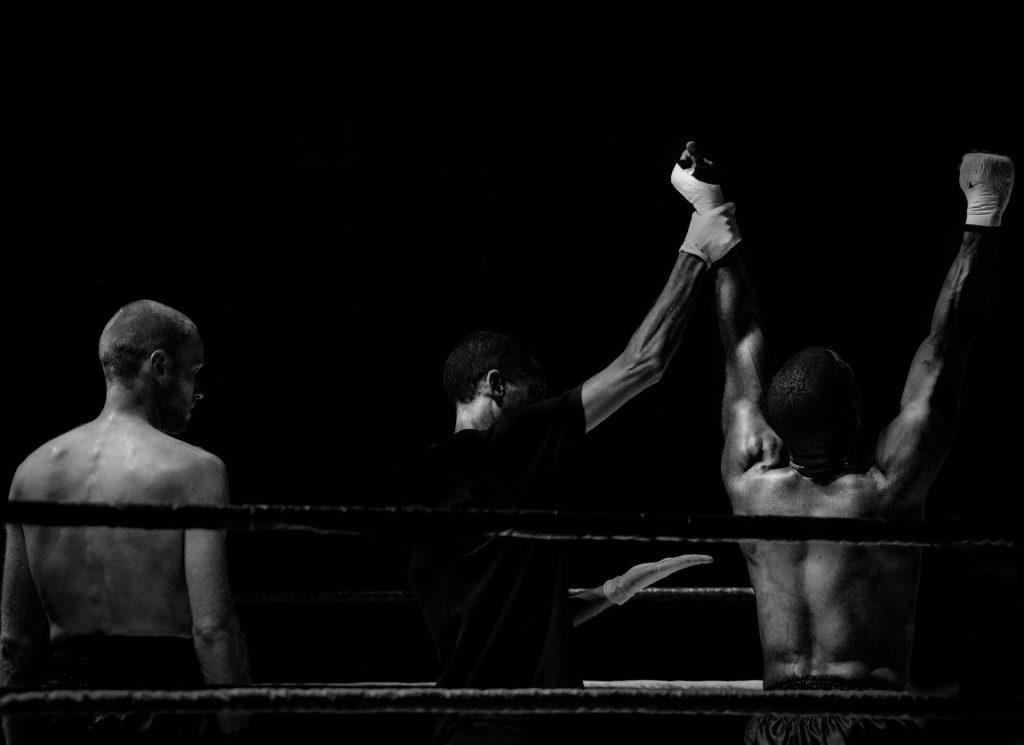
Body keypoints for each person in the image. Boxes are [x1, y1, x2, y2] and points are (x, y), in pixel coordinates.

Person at [405, 147, 741, 745]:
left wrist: (613, 591)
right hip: (523, 731)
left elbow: (505, 616)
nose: (547, 405)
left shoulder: (428, 482)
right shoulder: (511, 444)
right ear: (496, 387)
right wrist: (698, 240)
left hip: (457, 729)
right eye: (536, 394)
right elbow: (644, 364)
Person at [694, 140, 1013, 744]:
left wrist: (711, 211)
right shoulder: (885, 495)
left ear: (776, 427)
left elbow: (740, 347)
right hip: (869, 720)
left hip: (777, 724)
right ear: (860, 414)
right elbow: (948, 344)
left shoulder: (749, 485)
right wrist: (983, 215)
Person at [1, 299, 251, 743]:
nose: (197, 392)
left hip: (65, 716)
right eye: (193, 373)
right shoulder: (195, 470)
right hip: (162, 713)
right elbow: (212, 627)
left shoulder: (31, 472)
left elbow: (15, 642)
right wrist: (240, 732)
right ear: (159, 367)